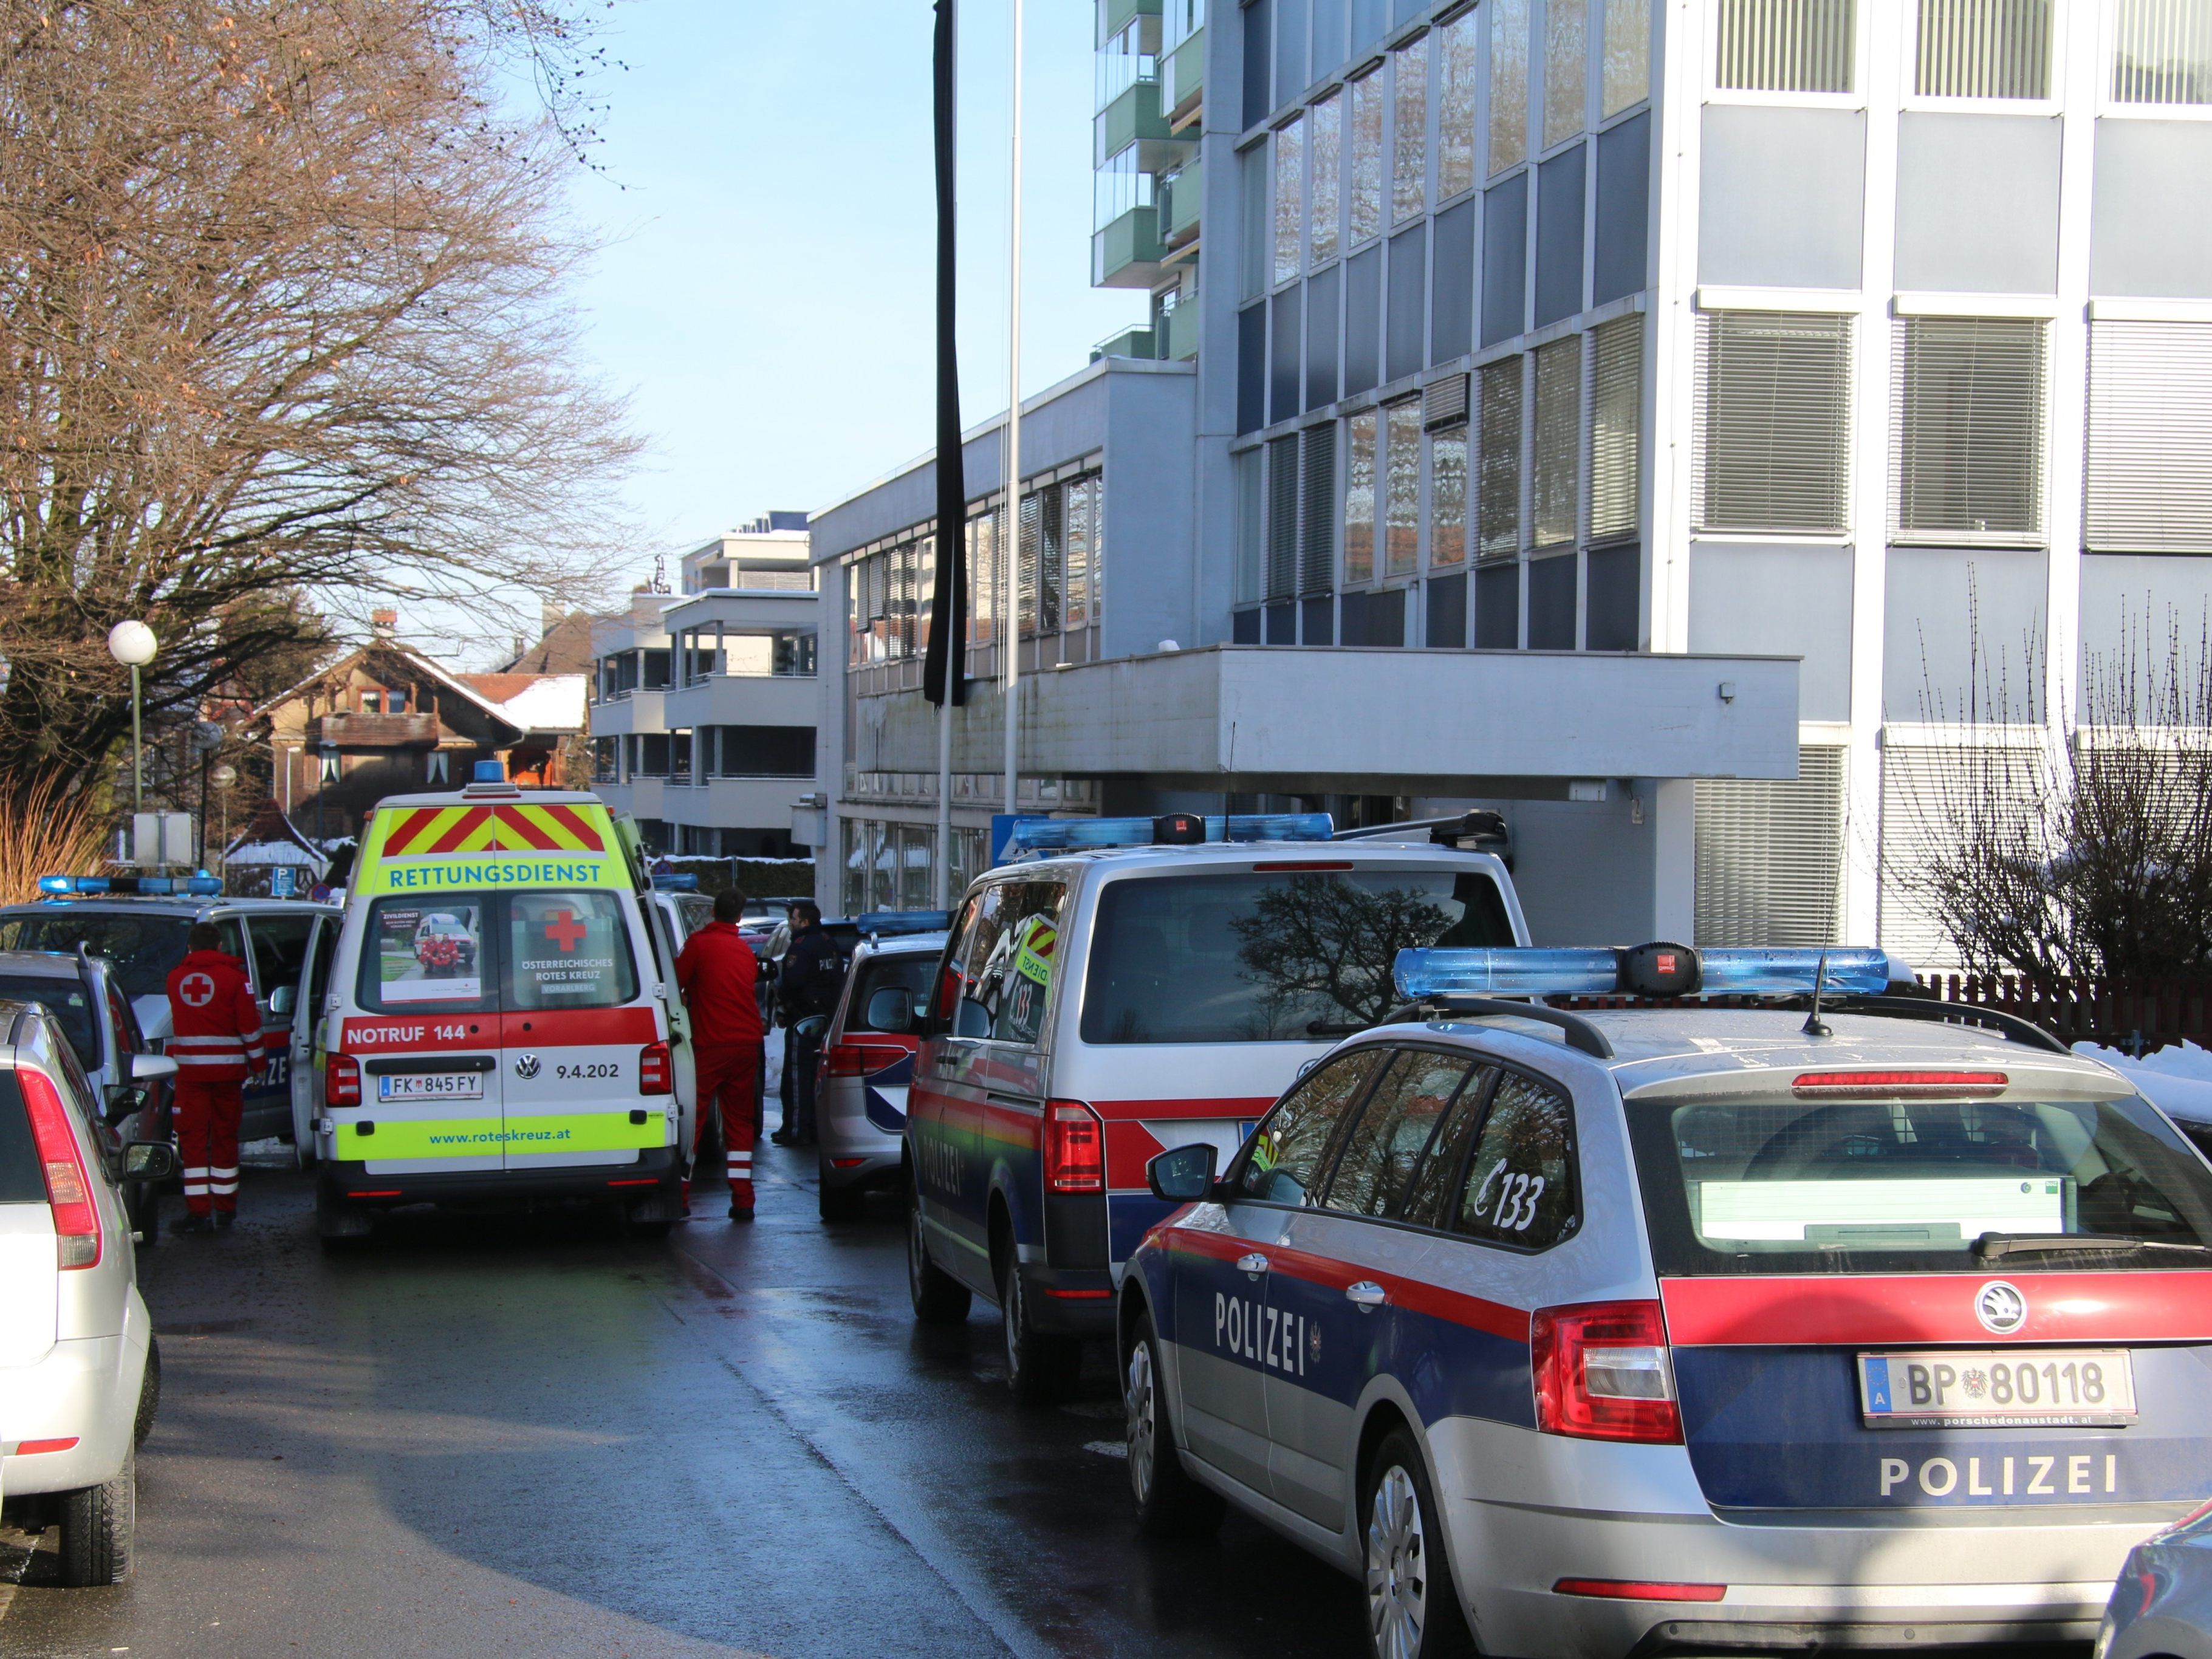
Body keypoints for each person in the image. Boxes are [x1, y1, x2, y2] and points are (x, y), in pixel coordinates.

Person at [165, 922, 265, 1233]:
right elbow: (249, 1026)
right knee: (225, 1138)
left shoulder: (175, 978)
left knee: (192, 1141)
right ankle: (225, 1210)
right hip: (228, 1074)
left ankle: (198, 1214)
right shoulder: (236, 979)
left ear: (190, 948)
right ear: (221, 946)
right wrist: (259, 1064)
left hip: (190, 1073)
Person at [675, 888, 765, 1222]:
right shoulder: (743, 951)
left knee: (693, 1120)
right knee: (739, 1122)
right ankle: (744, 1200)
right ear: (739, 917)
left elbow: (676, 983)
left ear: (713, 911)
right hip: (745, 1045)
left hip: (711, 1044)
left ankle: (682, 1196)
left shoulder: (699, 945)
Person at [775, 900, 843, 1148]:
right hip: (826, 1019)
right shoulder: (829, 942)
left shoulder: (801, 947)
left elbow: (791, 984)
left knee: (796, 1077)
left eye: (793, 919)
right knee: (817, 1077)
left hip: (803, 1020)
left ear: (804, 921)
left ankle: (796, 1130)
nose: (791, 923)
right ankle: (814, 1128)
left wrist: (785, 1009)